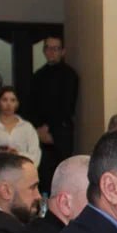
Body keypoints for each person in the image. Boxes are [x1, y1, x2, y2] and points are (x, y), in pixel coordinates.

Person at [29, 36, 78, 192]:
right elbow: (32, 105)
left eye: (55, 48)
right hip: (39, 133)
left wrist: (49, 128)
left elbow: (67, 106)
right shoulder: (38, 75)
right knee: (42, 175)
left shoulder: (70, 75)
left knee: (62, 175)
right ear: (44, 51)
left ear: (63, 51)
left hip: (61, 132)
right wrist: (39, 128)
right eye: (48, 48)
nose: (51, 52)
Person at [0, 86, 41, 167]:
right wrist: (0, 157)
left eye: (13, 100)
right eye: (4, 100)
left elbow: (35, 155)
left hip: (22, 171)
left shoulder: (27, 128)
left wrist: (17, 154)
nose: (8, 104)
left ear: (17, 103)